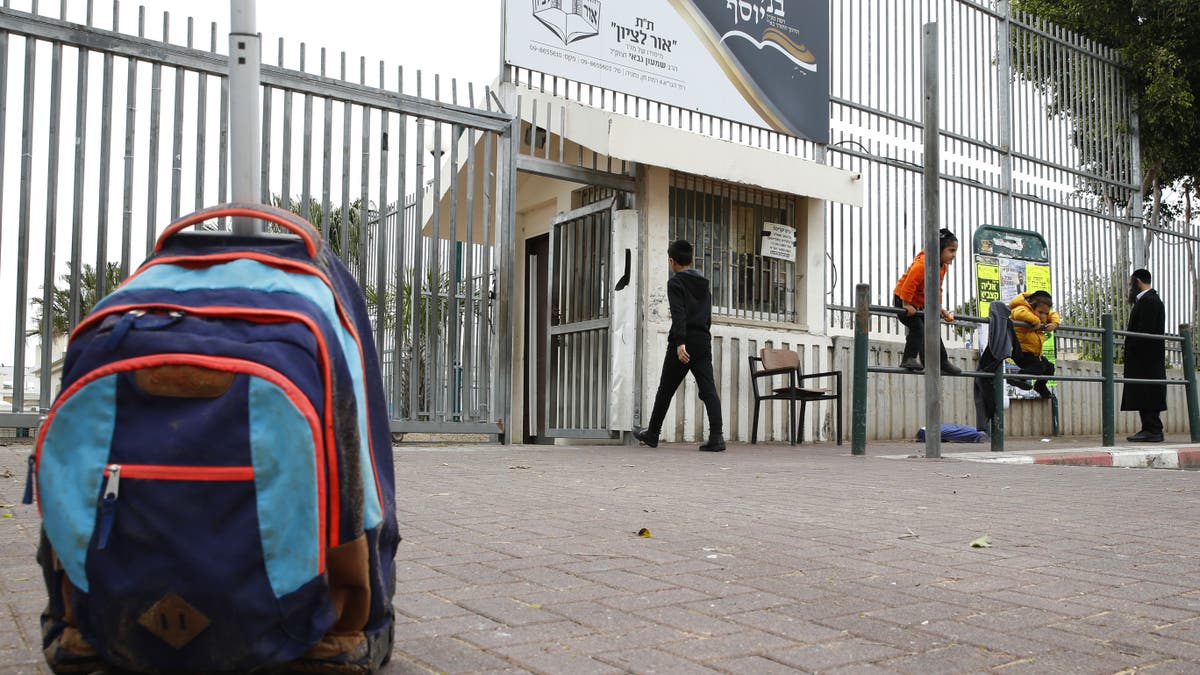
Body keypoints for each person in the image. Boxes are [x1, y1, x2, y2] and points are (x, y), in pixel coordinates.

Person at [633, 239, 725, 452]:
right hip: (702, 339)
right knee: (708, 388)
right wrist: (702, 336)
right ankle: (717, 437)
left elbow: (678, 313)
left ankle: (653, 433)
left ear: (672, 261)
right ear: (692, 260)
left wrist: (681, 342)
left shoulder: (675, 282)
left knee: (666, 388)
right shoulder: (704, 283)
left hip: (682, 342)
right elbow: (707, 316)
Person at [892, 228, 962, 375]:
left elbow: (937, 288)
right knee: (918, 328)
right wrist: (906, 304)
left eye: (955, 251)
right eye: (951, 250)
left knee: (932, 329)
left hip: (921, 304)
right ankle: (908, 358)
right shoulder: (923, 263)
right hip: (903, 300)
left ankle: (940, 361)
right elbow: (909, 283)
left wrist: (939, 307)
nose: (954, 255)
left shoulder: (942, 266)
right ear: (939, 249)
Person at [1122, 268, 1166, 442]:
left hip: (1145, 359)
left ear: (1138, 281)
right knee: (1144, 393)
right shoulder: (1149, 300)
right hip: (1146, 359)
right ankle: (1150, 428)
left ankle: (1153, 429)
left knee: (1147, 392)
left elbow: (1144, 332)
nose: (1130, 287)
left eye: (1131, 283)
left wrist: (1133, 348)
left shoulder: (1149, 301)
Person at [1008, 290, 1059, 398]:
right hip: (1021, 350)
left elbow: (1053, 314)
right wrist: (1036, 321)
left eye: (1045, 313)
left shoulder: (1042, 312)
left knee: (1049, 368)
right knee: (1038, 367)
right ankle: (1018, 377)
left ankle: (1040, 386)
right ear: (1031, 306)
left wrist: (1054, 323)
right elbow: (1019, 313)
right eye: (1040, 312)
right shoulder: (1021, 307)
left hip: (1034, 352)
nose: (1043, 316)